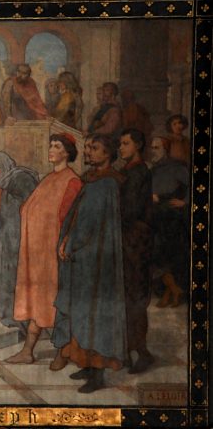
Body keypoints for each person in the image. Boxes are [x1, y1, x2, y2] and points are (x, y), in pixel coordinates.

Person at [53, 134, 127, 393]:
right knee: (83, 311)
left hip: (96, 260)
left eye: (94, 148)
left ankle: (97, 373)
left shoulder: (107, 183)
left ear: (108, 153)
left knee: (96, 314)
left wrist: (69, 243)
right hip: (84, 258)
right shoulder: (92, 179)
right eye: (87, 148)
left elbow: (88, 223)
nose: (88, 152)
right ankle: (86, 363)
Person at [6, 134, 82, 365]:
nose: (51, 149)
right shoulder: (48, 179)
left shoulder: (72, 181)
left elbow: (70, 219)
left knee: (54, 302)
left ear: (67, 152)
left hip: (54, 254)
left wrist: (63, 244)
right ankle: (28, 351)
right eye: (50, 145)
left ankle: (62, 352)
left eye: (56, 146)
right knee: (37, 301)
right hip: (35, 254)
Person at [0, 152, 38, 330]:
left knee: (12, 276)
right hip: (4, 239)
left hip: (17, 240)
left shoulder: (21, 178)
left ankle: (16, 318)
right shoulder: (1, 182)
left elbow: (27, 205)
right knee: (1, 274)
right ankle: (3, 311)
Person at [118, 129, 155, 374]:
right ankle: (128, 351)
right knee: (126, 298)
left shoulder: (138, 172)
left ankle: (142, 352)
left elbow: (130, 210)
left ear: (138, 145)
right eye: (120, 144)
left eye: (126, 143)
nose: (121, 148)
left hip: (135, 243)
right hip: (127, 241)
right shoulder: (127, 171)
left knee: (136, 299)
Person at [148, 136, 189, 307]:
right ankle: (171, 291)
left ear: (165, 149)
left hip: (172, 219)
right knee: (159, 257)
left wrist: (185, 202)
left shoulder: (177, 167)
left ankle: (172, 291)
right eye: (152, 147)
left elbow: (195, 185)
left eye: (156, 148)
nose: (153, 151)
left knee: (168, 257)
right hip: (158, 218)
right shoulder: (153, 169)